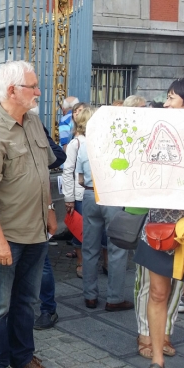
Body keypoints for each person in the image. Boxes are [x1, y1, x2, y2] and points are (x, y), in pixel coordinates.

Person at [0, 60, 57, 368]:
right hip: (6, 236)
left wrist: (48, 208)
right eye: (32, 86)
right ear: (12, 90)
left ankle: (22, 358)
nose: (38, 91)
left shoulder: (32, 121)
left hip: (35, 232)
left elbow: (42, 169)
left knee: (26, 302)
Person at [133, 78, 184, 368]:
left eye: (172, 98)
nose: (165, 103)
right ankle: (156, 356)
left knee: (175, 292)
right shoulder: (155, 134)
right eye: (166, 97)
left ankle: (164, 336)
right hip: (159, 231)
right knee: (156, 291)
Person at [76, 108, 134, 313]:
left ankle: (89, 296)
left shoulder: (84, 144)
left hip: (91, 195)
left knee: (89, 248)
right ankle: (115, 298)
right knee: (117, 249)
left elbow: (80, 179)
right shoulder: (119, 144)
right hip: (111, 195)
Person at [62, 105, 91, 279]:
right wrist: (69, 198)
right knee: (80, 231)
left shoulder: (95, 140)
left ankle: (102, 262)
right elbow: (68, 170)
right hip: (80, 194)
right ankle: (81, 263)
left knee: (96, 232)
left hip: (93, 193)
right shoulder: (76, 143)